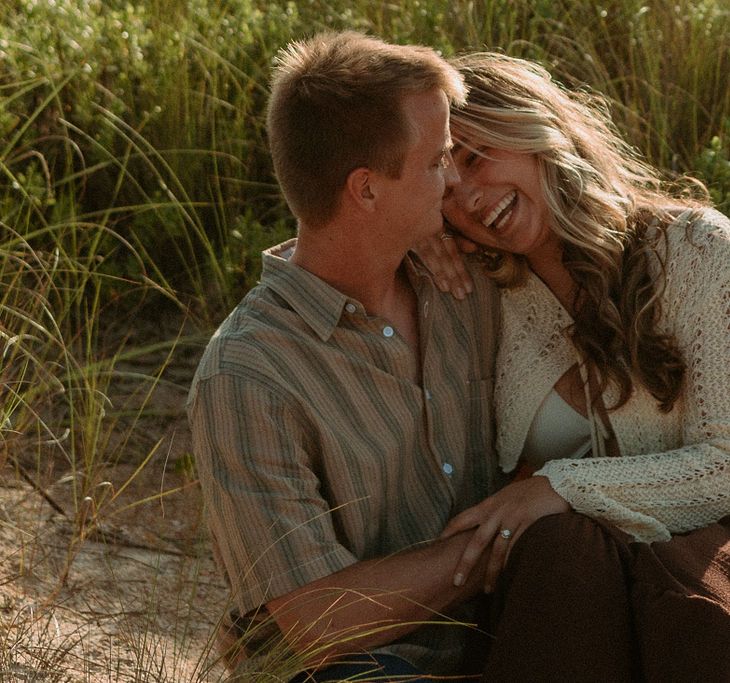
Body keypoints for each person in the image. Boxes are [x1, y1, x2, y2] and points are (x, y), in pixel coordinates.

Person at [418, 52, 730, 681]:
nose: (467, 196)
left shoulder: (697, 249)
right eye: (442, 185)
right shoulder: (485, 287)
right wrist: (411, 234)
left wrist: (555, 488)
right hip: (595, 570)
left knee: (670, 593)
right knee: (562, 556)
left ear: (533, 128)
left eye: (473, 157)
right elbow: (329, 242)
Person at [187, 32, 506, 682]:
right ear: (365, 190)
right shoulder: (245, 378)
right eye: (435, 162)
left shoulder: (470, 286)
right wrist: (497, 540)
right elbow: (318, 623)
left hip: (507, 645)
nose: (452, 179)